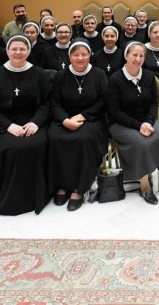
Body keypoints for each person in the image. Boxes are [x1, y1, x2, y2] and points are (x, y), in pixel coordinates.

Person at [0, 36, 51, 215]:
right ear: (7, 51)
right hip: (3, 122)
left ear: (28, 51)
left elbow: (46, 103)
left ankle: (35, 196)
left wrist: (35, 122)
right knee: (11, 148)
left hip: (32, 121)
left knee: (36, 145)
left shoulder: (39, 73)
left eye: (22, 49)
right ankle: (11, 198)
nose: (18, 52)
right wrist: (8, 126)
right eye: (14, 49)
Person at [106, 42, 159, 205]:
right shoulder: (115, 79)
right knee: (142, 143)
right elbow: (115, 112)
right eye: (134, 55)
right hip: (121, 123)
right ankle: (145, 186)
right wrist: (139, 126)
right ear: (126, 56)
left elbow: (154, 103)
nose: (138, 59)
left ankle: (149, 168)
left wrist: (148, 122)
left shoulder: (149, 76)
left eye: (141, 56)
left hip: (146, 119)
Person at [48, 41, 109, 211]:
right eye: (76, 55)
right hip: (65, 117)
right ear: (69, 57)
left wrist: (82, 116)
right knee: (54, 137)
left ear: (90, 55)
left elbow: (103, 101)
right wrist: (64, 120)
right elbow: (55, 102)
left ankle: (79, 188)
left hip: (92, 118)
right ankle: (61, 184)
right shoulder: (61, 75)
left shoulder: (99, 74)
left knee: (83, 138)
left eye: (84, 54)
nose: (80, 58)